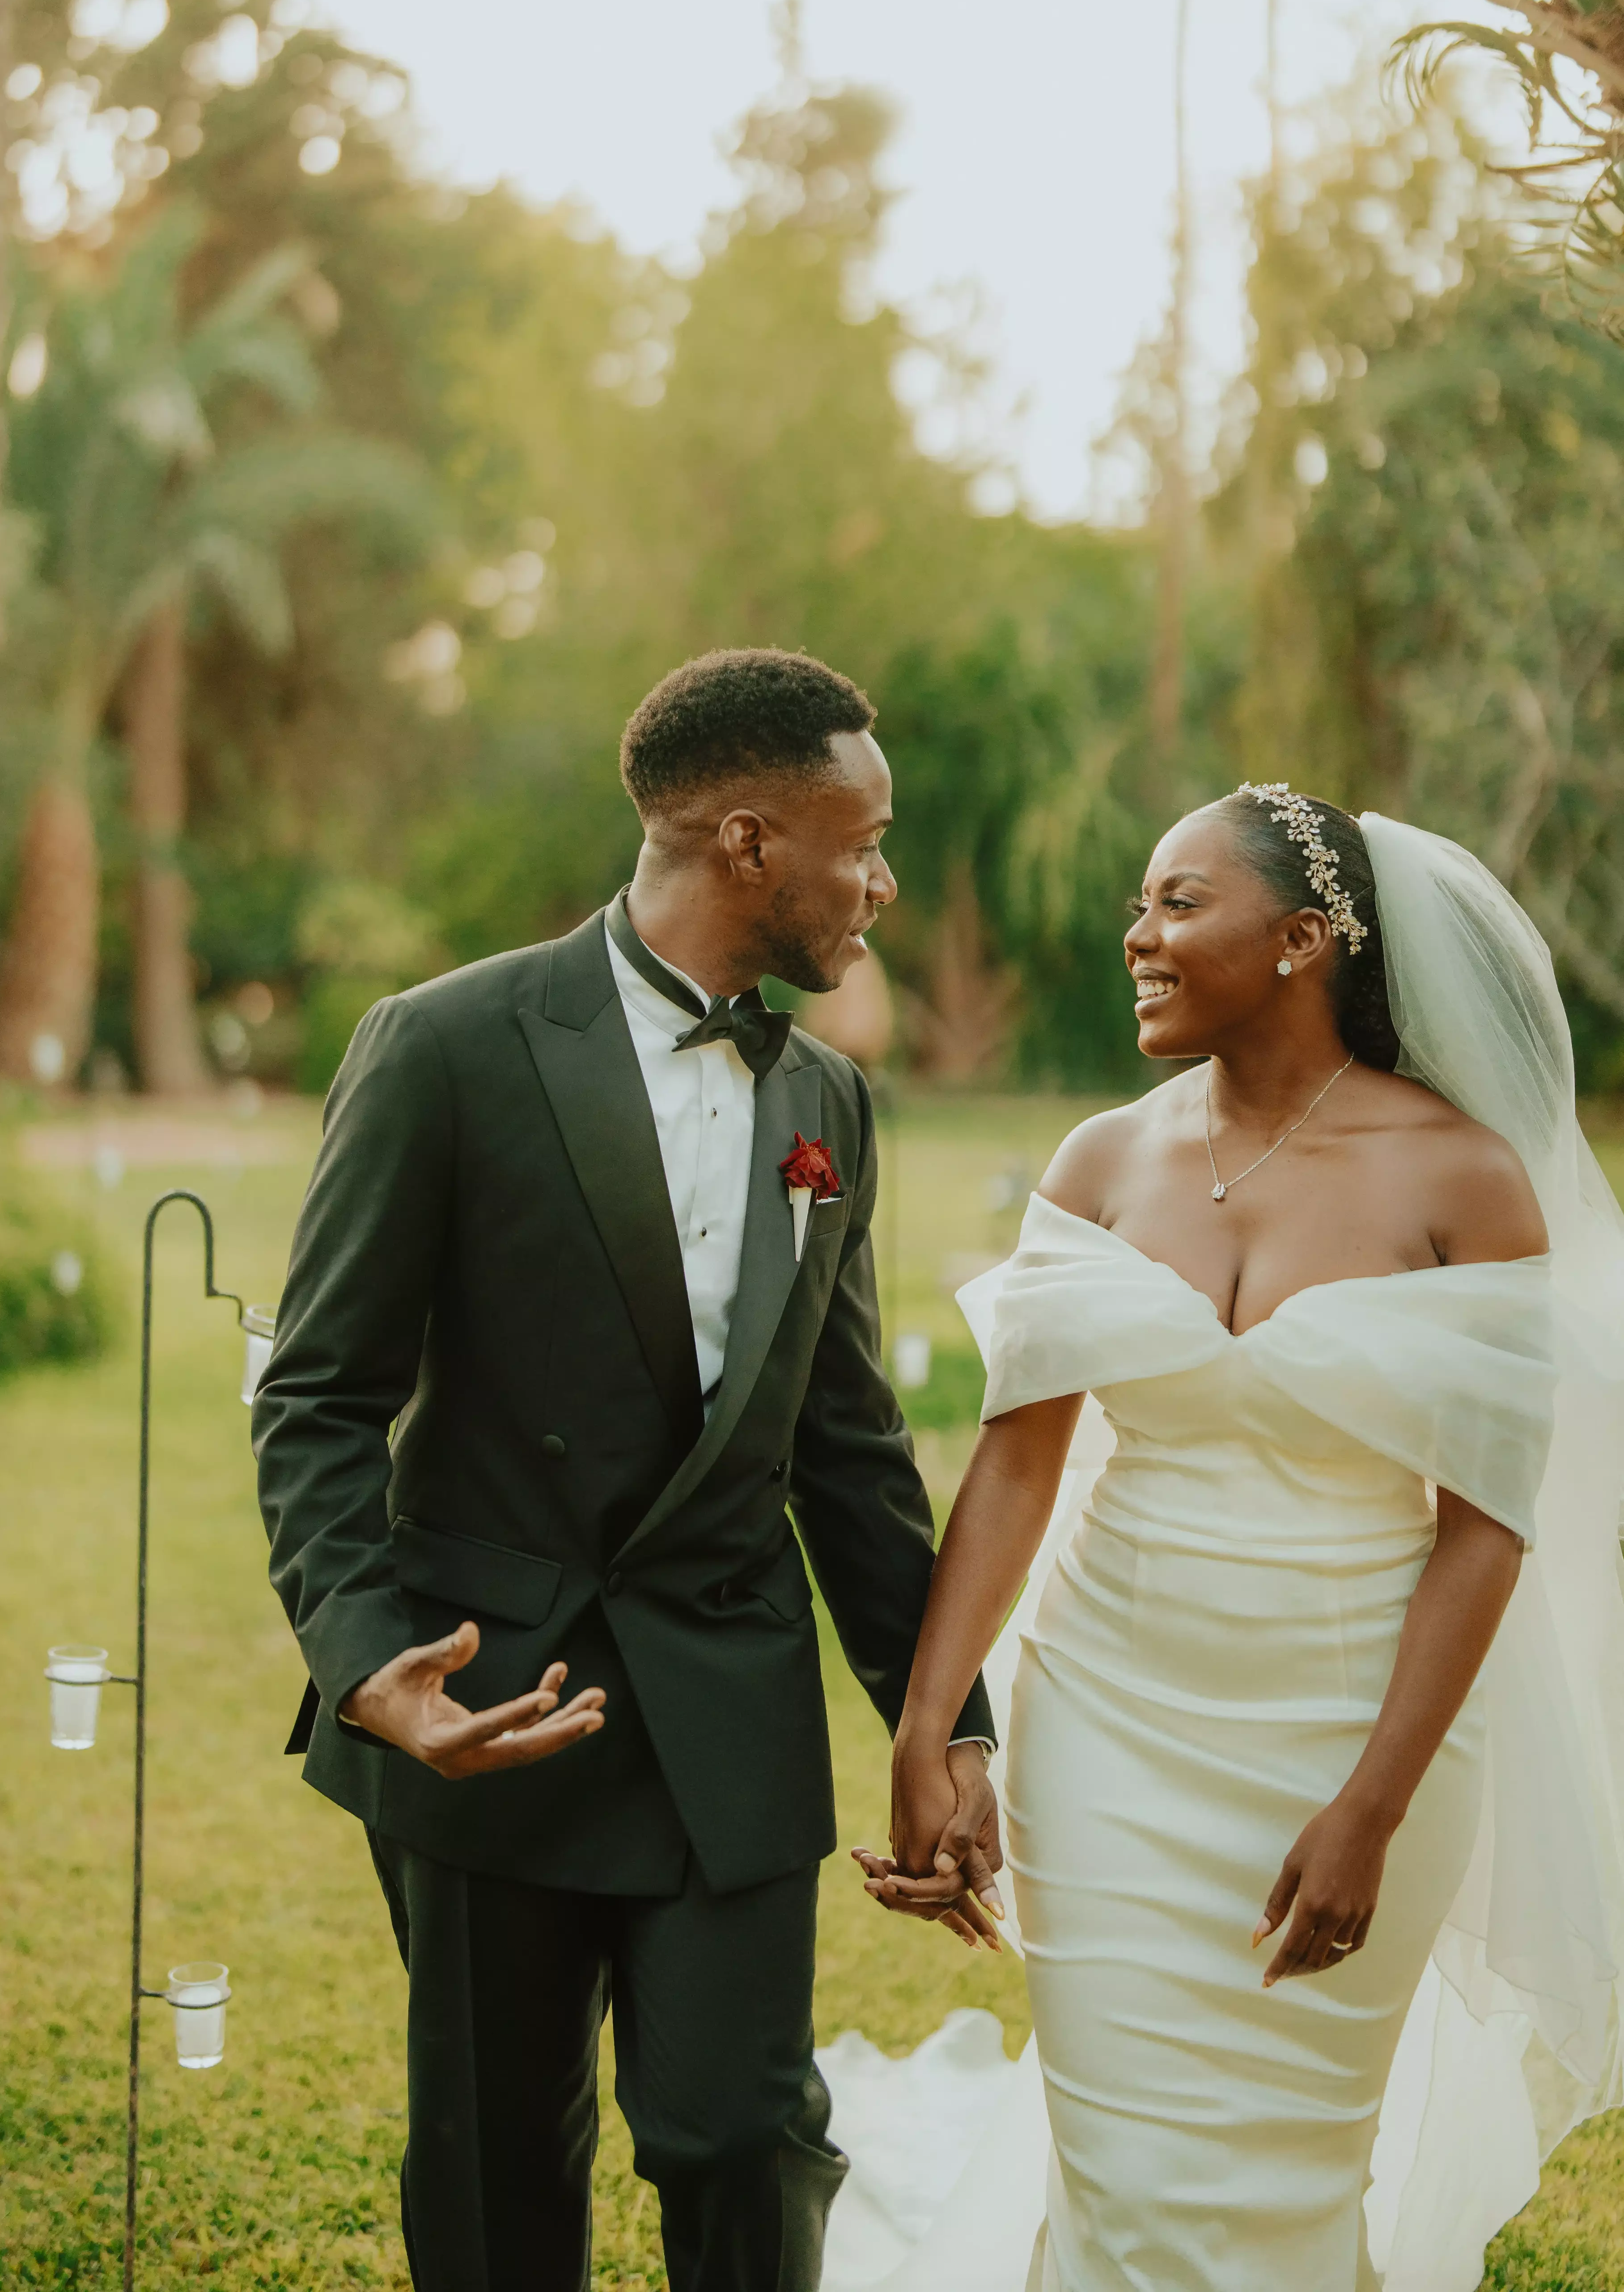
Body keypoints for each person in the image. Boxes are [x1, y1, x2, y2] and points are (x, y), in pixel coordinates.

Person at [251, 646, 996, 2292]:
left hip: (728, 1710)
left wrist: (947, 1723)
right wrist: (374, 1668)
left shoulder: (830, 1104)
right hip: (489, 1715)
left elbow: (851, 1451)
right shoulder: (444, 1045)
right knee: (501, 2166)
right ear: (748, 842)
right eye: (860, 841)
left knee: (746, 2138)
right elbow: (317, 1397)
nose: (880, 881)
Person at [849, 788, 1624, 2292]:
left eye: (1178, 903)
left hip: (1352, 1744)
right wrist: (933, 1729)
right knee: (1127, 2175)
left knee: (1285, 2185)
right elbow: (1015, 1469)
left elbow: (1485, 1532)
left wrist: (1373, 1812)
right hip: (1105, 1730)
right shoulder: (1101, 1163)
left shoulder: (1464, 1181)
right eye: (1143, 903)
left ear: (1304, 940)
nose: (1137, 935)